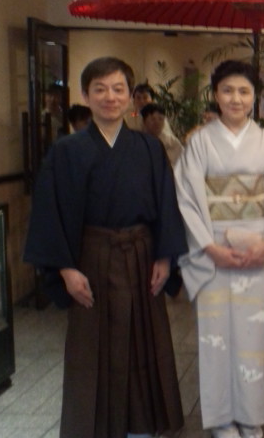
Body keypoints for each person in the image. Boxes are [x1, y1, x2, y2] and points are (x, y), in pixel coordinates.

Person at [23, 56, 187, 438]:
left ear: (130, 97)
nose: (110, 97)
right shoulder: (65, 151)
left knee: (144, 343)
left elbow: (166, 203)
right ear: (85, 95)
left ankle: (142, 427)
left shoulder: (149, 148)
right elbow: (49, 211)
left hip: (141, 256)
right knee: (91, 346)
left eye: (118, 89)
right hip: (90, 258)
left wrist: (165, 256)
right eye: (100, 89)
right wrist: (66, 269)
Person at [175, 60, 264, 438]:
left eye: (244, 91)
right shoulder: (200, 142)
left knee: (255, 335)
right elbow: (187, 198)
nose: (236, 99)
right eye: (227, 91)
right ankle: (222, 418)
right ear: (215, 95)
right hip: (214, 249)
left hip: (259, 248)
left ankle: (251, 415)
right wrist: (209, 247)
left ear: (255, 97)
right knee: (215, 337)